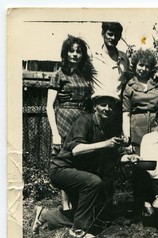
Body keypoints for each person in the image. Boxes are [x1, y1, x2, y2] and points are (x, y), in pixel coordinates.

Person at [32, 92, 123, 238]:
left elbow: (110, 157)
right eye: (103, 105)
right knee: (94, 182)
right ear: (95, 107)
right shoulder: (85, 121)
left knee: (90, 215)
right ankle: (78, 229)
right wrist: (106, 144)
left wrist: (128, 158)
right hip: (61, 170)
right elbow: (76, 150)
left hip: (79, 173)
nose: (107, 109)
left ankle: (44, 215)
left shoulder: (106, 128)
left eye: (111, 106)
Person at [46, 35, 95, 210]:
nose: (75, 54)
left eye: (78, 51)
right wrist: (55, 133)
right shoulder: (58, 75)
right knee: (64, 160)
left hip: (83, 119)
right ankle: (66, 207)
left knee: (81, 159)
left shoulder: (87, 74)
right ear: (65, 53)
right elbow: (49, 106)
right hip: (65, 119)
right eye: (71, 51)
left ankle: (79, 203)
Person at [122, 48, 158, 155]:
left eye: (147, 66)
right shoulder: (129, 86)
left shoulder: (157, 82)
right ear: (135, 65)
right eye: (141, 65)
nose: (143, 69)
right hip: (137, 130)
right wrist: (127, 138)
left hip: (156, 127)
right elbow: (126, 114)